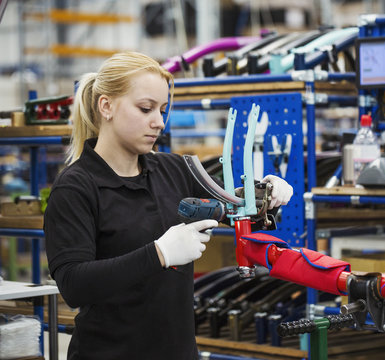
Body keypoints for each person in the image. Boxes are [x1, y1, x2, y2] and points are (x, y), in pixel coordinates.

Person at [44, 51, 293, 360]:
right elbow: (73, 285)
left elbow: (234, 212)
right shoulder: (76, 187)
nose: (159, 122)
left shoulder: (173, 170)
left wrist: (266, 197)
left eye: (162, 110)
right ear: (106, 106)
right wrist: (158, 254)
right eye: (146, 108)